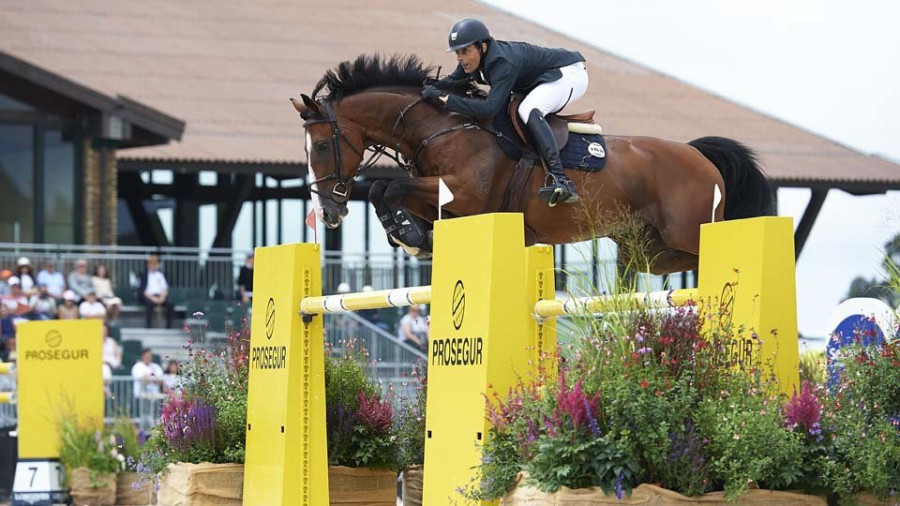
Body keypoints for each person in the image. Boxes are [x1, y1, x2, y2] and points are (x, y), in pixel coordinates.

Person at [421, 18, 588, 206]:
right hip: (541, 78)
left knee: (529, 109)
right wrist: (423, 86)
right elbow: (450, 82)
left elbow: (489, 108)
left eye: (465, 51)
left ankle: (562, 180)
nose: (460, 58)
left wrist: (445, 99)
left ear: (482, 47)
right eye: (457, 52)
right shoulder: (472, 60)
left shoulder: (503, 63)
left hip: (568, 74)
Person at [138, 254, 174, 328]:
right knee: (149, 304)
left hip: (160, 296)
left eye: (155, 263)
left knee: (170, 303)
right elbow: (142, 290)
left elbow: (165, 288)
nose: (153, 265)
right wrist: (153, 298)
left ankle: (169, 326)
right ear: (148, 264)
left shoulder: (161, 275)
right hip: (148, 296)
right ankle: (149, 326)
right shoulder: (143, 275)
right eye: (151, 263)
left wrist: (162, 297)